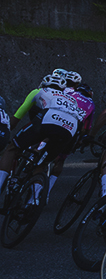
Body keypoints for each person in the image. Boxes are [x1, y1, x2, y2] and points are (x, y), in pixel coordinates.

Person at [0, 73, 86, 206]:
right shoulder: (72, 100)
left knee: (12, 148)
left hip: (49, 118)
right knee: (43, 164)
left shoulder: (39, 91)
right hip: (70, 128)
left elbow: (17, 117)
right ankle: (33, 201)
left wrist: (6, 132)